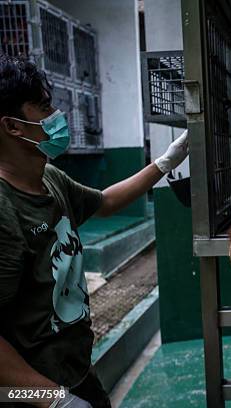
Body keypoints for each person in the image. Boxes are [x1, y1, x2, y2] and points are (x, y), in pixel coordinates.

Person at [0, 57, 189, 407]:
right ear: (13, 127)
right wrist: (51, 399)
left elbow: (103, 202)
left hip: (75, 372)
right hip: (30, 393)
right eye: (43, 107)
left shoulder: (49, 179)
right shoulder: (5, 210)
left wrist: (166, 162)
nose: (56, 115)